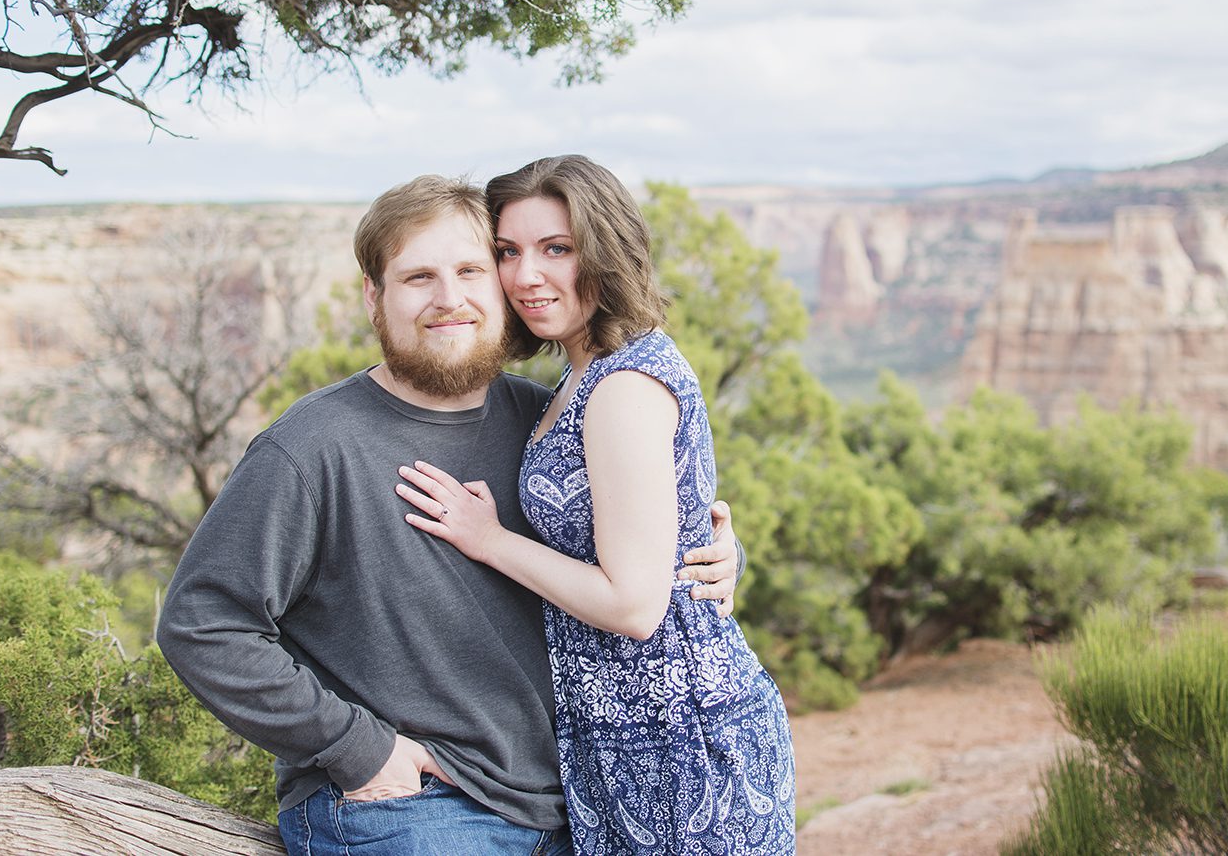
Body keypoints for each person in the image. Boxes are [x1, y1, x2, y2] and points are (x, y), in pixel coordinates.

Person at [156, 174, 743, 856]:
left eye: (470, 269)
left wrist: (718, 557)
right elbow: (202, 621)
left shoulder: (543, 420)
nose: (449, 298)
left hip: (570, 805)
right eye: (417, 278)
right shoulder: (312, 448)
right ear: (374, 296)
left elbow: (626, 554)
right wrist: (357, 748)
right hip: (412, 809)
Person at [396, 155, 796, 855]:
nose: (525, 276)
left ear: (604, 251)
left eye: (557, 249)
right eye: (508, 252)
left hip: (681, 742)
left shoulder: (622, 386)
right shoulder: (581, 374)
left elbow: (634, 608)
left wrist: (487, 539)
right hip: (624, 738)